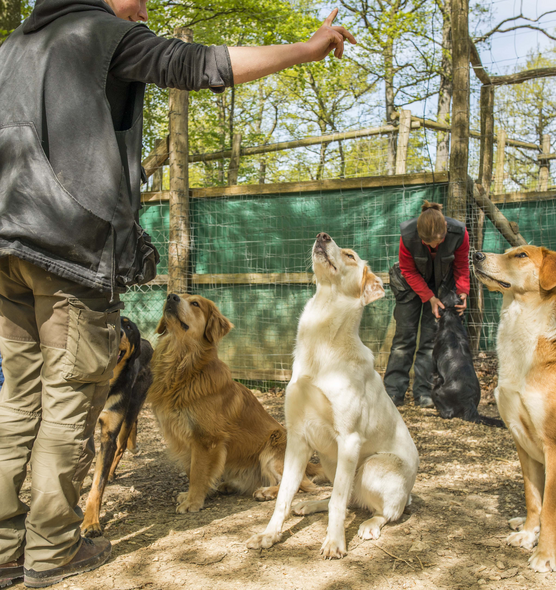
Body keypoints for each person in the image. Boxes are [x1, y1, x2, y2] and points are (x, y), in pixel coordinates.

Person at [0, 1, 355, 587]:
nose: (143, 7)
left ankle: (6, 544)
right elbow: (201, 64)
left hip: (7, 250)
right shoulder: (101, 32)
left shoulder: (13, 47)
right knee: (67, 404)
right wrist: (306, 48)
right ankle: (51, 548)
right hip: (69, 252)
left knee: (17, 405)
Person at [384, 201, 471, 408]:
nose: (433, 246)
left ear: (446, 231)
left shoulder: (460, 234)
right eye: (427, 243)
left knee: (431, 339)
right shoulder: (407, 235)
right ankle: (393, 392)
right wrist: (428, 297)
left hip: (441, 283)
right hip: (409, 283)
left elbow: (461, 264)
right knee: (404, 337)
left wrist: (462, 291)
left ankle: (423, 393)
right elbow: (409, 270)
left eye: (438, 242)